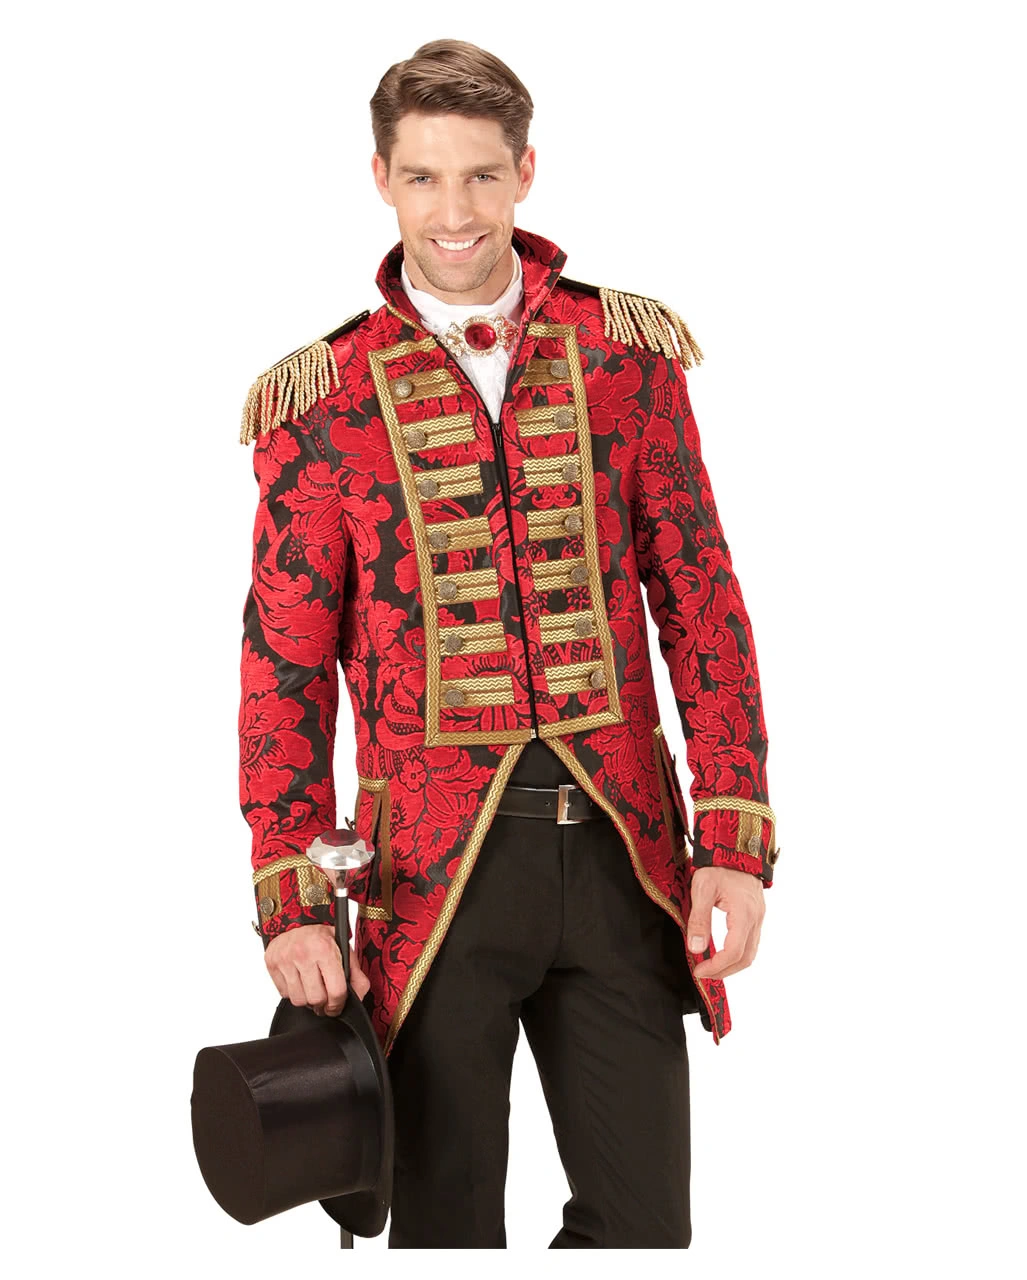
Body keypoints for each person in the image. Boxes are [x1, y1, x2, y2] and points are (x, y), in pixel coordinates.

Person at [237, 37, 778, 1249]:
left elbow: (701, 601)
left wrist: (733, 834)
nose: (454, 211)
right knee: (447, 1236)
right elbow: (281, 668)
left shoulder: (625, 356)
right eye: (423, 177)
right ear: (380, 178)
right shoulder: (321, 400)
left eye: (480, 175)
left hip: (624, 858)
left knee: (643, 1230)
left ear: (525, 171)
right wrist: (291, 894)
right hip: (429, 883)